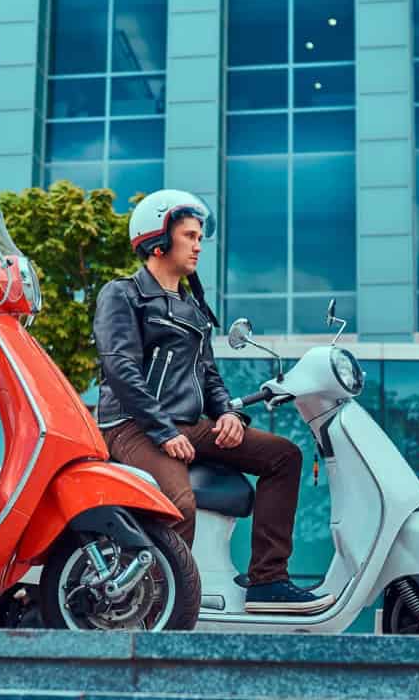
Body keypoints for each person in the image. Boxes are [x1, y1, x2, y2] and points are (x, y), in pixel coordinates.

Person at [92, 189, 334, 613]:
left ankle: (268, 580)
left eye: (200, 236)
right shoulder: (123, 294)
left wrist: (228, 413)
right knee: (178, 501)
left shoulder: (192, 308)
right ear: (157, 237)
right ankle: (162, 604)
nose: (198, 244)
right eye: (189, 235)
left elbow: (208, 374)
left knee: (285, 456)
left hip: (188, 425)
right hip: (132, 425)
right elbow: (120, 370)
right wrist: (163, 432)